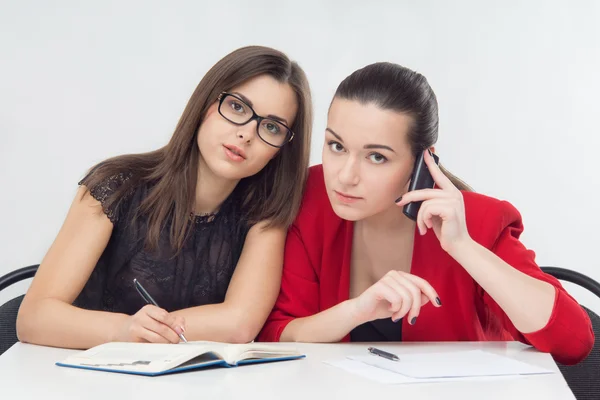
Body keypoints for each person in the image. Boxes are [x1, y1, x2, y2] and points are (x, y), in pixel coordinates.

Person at [258, 62, 593, 365]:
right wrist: (355, 311)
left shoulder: (479, 221)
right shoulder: (313, 197)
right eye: (336, 146)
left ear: (423, 162)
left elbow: (573, 342)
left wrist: (464, 247)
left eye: (376, 157)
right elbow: (276, 334)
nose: (345, 176)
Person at [17, 45, 313, 349]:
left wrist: (152, 331)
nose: (247, 134)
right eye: (237, 107)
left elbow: (239, 323)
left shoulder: (265, 213)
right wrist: (125, 330)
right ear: (206, 103)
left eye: (272, 127)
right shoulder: (115, 185)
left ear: (282, 148)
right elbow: (33, 317)